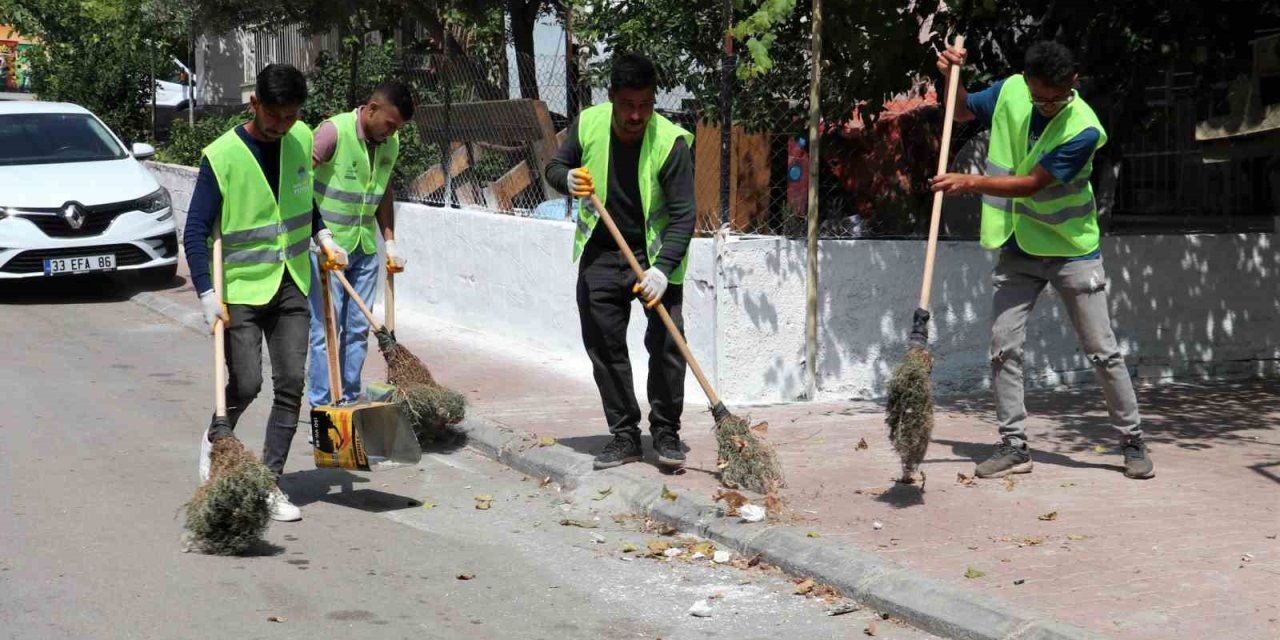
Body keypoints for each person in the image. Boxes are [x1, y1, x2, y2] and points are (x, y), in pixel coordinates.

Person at [931, 41, 1153, 480]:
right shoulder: (1012, 90)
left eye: (1056, 98)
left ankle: (1132, 440)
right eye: (1039, 97)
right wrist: (948, 78)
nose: (1047, 106)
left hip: (1072, 249)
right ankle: (1014, 446)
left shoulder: (1083, 128)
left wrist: (969, 182)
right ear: (1028, 82)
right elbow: (959, 113)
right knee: (1003, 347)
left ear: (1073, 83)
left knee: (1101, 352)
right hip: (1019, 247)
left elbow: (1032, 183)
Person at [184, 63, 350, 522]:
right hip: (239, 289)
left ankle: (269, 484)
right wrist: (205, 292)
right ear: (254, 103)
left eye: (291, 116)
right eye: (274, 115)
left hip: (292, 281)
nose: (281, 126)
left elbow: (304, 200)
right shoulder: (222, 156)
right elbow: (196, 230)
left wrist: (324, 236)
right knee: (247, 384)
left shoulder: (300, 140)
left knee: (291, 384)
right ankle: (218, 438)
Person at [545, 53, 696, 471]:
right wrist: (567, 180)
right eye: (628, 104)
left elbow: (685, 215)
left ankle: (666, 432)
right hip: (603, 250)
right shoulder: (589, 123)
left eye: (645, 105)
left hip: (655, 255)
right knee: (604, 345)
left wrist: (663, 269)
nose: (636, 115)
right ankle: (625, 436)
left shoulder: (671, 142)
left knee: (667, 345)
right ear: (611, 96)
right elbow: (554, 167)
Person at [307, 81, 414, 408]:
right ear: (371, 109)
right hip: (326, 250)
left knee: (356, 330)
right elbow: (297, 182)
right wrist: (320, 235)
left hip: (364, 249)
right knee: (325, 331)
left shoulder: (390, 143)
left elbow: (383, 190)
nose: (392, 132)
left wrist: (390, 242)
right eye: (390, 124)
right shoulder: (332, 132)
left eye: (398, 128)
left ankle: (349, 404)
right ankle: (322, 409)